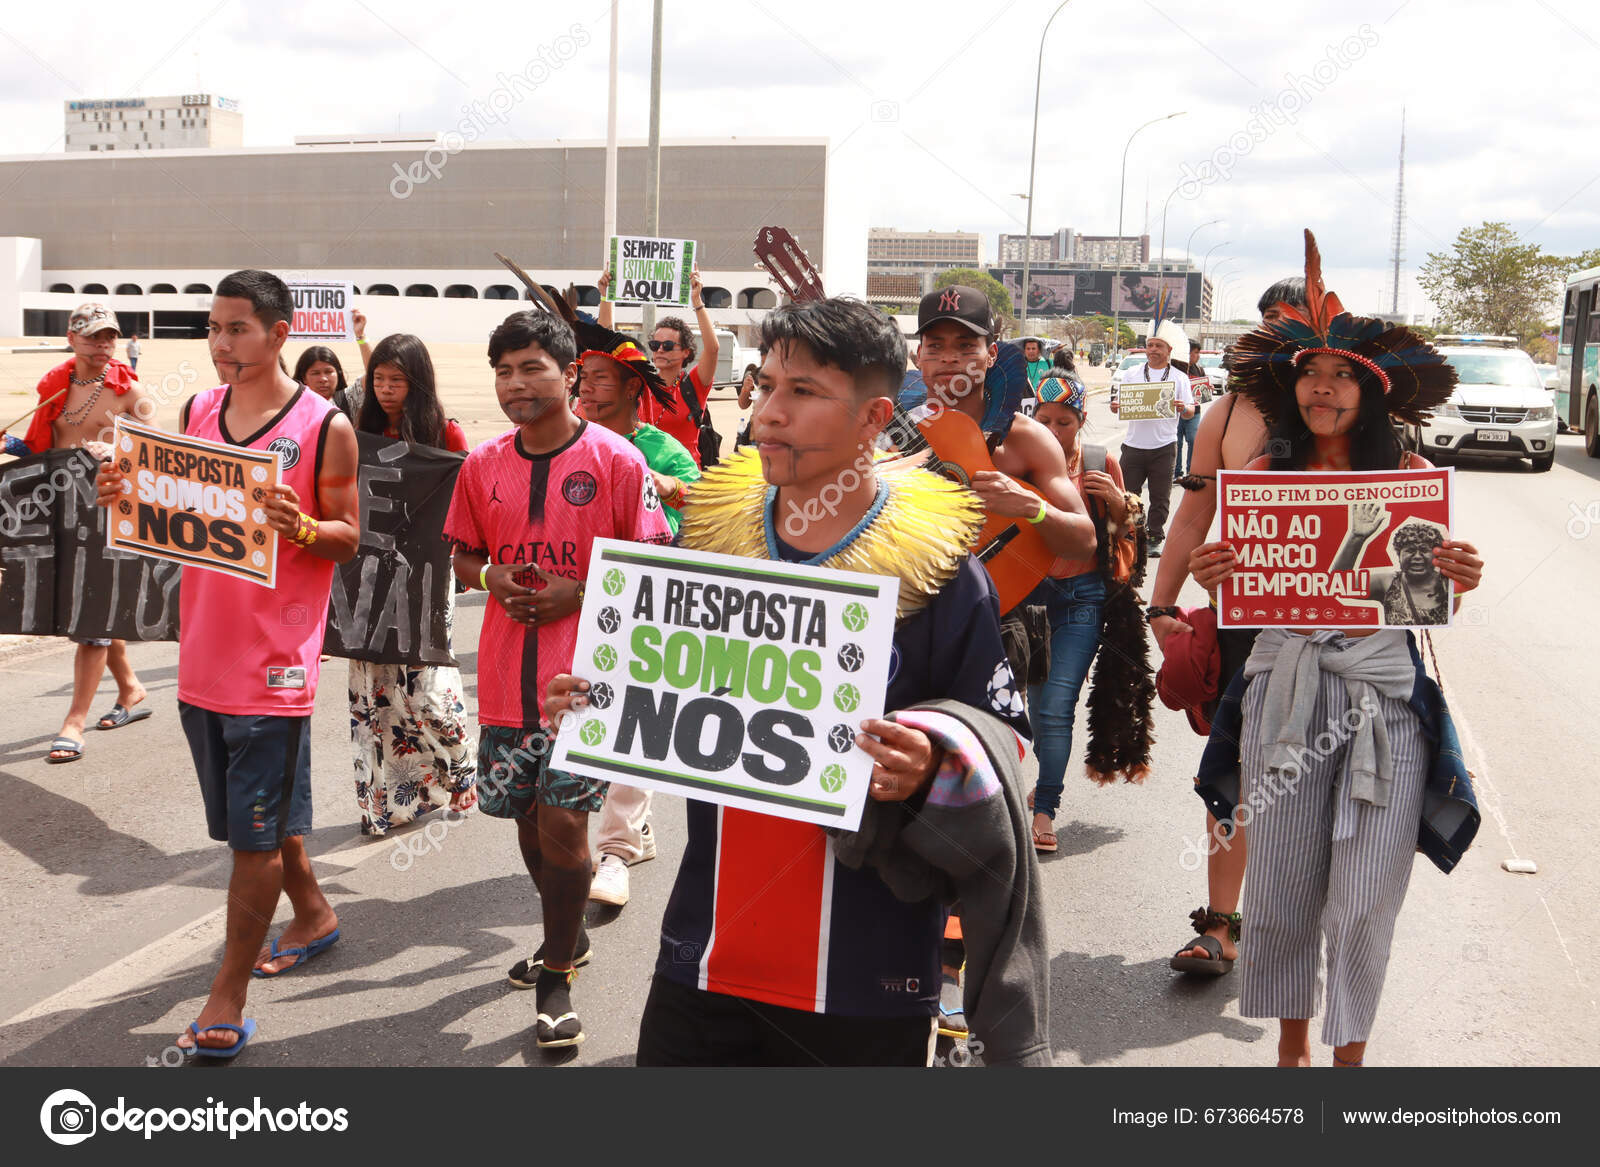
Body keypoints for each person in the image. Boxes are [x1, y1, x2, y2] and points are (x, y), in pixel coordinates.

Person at [547, 296, 1036, 1066]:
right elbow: (665, 696)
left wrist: (933, 760)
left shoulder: (942, 571)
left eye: (803, 391)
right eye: (767, 384)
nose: (768, 411)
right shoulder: (710, 541)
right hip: (704, 954)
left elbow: (1006, 743)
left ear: (875, 418)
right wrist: (591, 700)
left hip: (867, 976)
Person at [1187, 233, 1482, 1066]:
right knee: (1282, 889)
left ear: (1372, 391)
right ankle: (1292, 1052)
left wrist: (1460, 576)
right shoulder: (1261, 478)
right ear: (1292, 388)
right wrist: (1210, 576)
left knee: (1365, 900)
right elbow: (1248, 587)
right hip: (1282, 699)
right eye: (1310, 371)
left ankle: (1349, 1059)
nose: (1323, 384)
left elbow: (1425, 598)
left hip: (1383, 704)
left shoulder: (1409, 473)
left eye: (1343, 373)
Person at [94, 270, 361, 1057]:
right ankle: (313, 913)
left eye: (237, 328)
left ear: (278, 333)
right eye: (213, 328)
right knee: (257, 822)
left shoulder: (324, 426)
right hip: (203, 658)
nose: (220, 343)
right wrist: (120, 490)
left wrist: (302, 525)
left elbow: (348, 536)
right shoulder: (197, 413)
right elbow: (165, 510)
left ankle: (228, 993)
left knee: (253, 839)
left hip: (276, 668)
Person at [443, 309, 671, 1049]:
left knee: (568, 824)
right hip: (505, 678)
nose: (515, 384)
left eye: (531, 367)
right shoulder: (481, 465)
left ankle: (556, 975)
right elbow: (461, 555)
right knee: (529, 823)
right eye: (503, 371)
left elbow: (654, 563)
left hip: (588, 679)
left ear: (569, 373)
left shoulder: (618, 461)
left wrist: (581, 591)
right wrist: (490, 575)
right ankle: (568, 932)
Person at [908, 284, 1096, 1035]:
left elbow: (1083, 541)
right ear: (917, 354)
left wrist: (1032, 507)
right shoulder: (889, 426)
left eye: (966, 345)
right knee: (888, 786)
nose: (949, 359)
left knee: (971, 796)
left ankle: (954, 969)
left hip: (995, 630)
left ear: (993, 353)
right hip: (898, 629)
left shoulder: (1026, 439)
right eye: (936, 344)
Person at [1148, 277, 1306, 977]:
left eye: (1298, 320)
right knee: (1234, 773)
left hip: (1342, 635)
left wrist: (1446, 572)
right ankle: (1222, 925)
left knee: (1324, 778)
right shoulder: (1228, 409)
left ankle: (1305, 920)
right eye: (1272, 320)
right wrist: (1161, 605)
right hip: (1248, 625)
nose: (1282, 333)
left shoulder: (1362, 410)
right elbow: (1192, 515)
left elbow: (1403, 515)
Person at [572, 320, 701, 906]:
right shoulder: (561, 441)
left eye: (601, 378)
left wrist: (662, 484)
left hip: (644, 600)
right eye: (583, 377)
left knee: (634, 718)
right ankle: (630, 832)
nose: (587, 388)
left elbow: (702, 502)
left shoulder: (661, 446)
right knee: (582, 717)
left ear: (631, 389)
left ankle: (616, 851)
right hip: (573, 601)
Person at [12, 304, 153, 763]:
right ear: (72, 339)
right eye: (93, 337)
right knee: (90, 607)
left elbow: (158, 452)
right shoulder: (54, 386)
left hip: (107, 516)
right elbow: (39, 447)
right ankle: (130, 688)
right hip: (61, 512)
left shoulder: (129, 391)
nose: (103, 345)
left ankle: (74, 722)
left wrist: (116, 451)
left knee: (91, 613)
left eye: (109, 336)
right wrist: (8, 443)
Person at [348, 333, 475, 835]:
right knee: (378, 695)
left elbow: (466, 498)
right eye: (377, 379)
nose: (384, 389)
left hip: (426, 577)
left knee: (426, 690)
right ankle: (392, 804)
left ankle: (461, 764)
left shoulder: (446, 434)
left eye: (395, 380)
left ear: (416, 382)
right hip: (369, 579)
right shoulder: (359, 433)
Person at [1025, 373, 1143, 851]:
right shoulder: (1017, 459)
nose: (1053, 431)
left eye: (1064, 422)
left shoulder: (1100, 462)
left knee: (1057, 708)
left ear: (1082, 420)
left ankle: (1045, 807)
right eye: (1044, 420)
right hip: (1027, 599)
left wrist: (1117, 501)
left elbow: (1127, 533)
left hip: (1083, 597)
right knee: (1033, 708)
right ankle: (1040, 780)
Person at [598, 267, 719, 466]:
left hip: (683, 477)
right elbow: (606, 348)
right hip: (644, 475)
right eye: (655, 345)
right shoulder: (639, 384)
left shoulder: (694, 385)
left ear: (686, 352)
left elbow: (713, 349)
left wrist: (697, 301)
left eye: (668, 346)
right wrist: (606, 297)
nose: (660, 350)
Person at [1108, 318, 1194, 556]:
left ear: (1169, 350)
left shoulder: (1179, 377)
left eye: (1159, 346)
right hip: (1133, 445)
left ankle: (1155, 536)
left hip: (1164, 446)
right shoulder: (1132, 374)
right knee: (1127, 494)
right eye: (1150, 345)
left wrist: (1182, 408)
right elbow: (1118, 404)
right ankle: (1131, 534)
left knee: (1160, 496)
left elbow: (1190, 411)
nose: (1153, 350)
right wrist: (1115, 406)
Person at [1174, 339, 1207, 479]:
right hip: (1176, 413)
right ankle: (1176, 473)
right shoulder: (1175, 369)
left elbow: (1203, 390)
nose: (1198, 356)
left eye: (1198, 352)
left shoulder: (1199, 369)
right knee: (1177, 442)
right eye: (1195, 352)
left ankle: (1191, 471)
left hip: (1195, 413)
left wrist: (1207, 389)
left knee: (1193, 440)